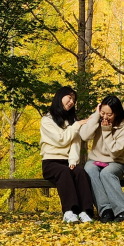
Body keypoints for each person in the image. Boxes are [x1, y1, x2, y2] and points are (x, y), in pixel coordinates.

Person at [39, 87, 96, 223]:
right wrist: (76, 125)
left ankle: (85, 212)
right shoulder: (47, 120)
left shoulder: (71, 122)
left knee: (81, 172)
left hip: (67, 161)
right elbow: (61, 140)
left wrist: (73, 160)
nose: (71, 102)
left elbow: (75, 144)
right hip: (50, 162)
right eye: (69, 97)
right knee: (64, 172)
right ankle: (69, 212)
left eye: (74, 100)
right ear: (60, 97)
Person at [80, 94, 124, 222]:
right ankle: (106, 210)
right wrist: (95, 116)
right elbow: (84, 135)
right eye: (103, 113)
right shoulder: (97, 119)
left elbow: (115, 153)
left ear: (116, 113)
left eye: (109, 115)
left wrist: (106, 130)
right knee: (90, 170)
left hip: (115, 162)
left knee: (106, 174)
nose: (105, 117)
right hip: (95, 160)